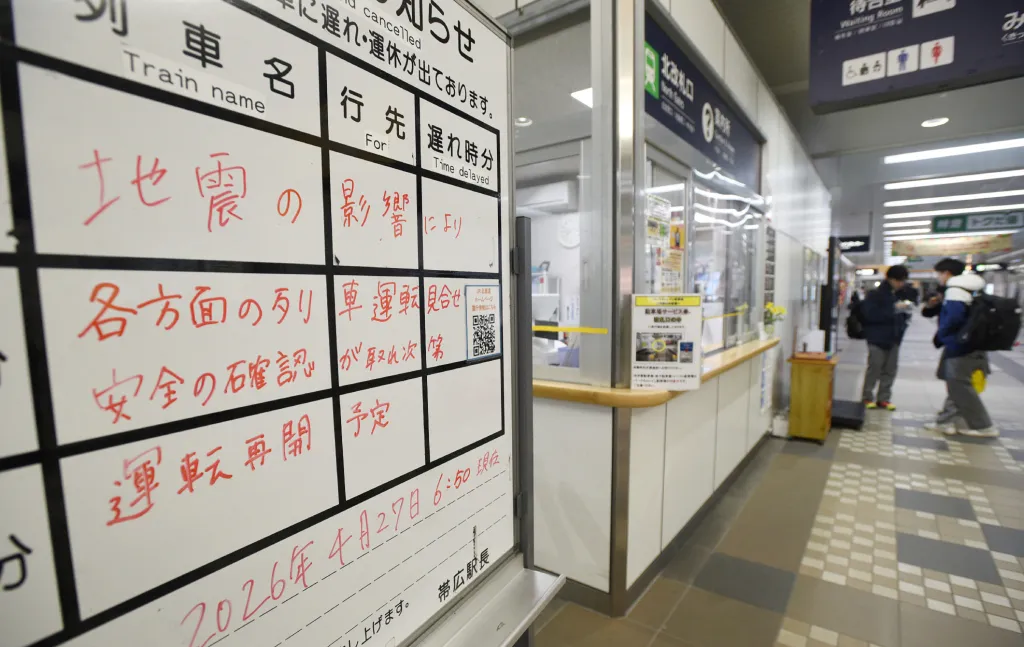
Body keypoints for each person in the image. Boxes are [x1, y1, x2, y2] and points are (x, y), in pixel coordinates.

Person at [924, 259, 997, 437]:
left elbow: (954, 318)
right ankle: (946, 421)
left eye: (939, 274)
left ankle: (983, 426)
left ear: (947, 273)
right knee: (955, 383)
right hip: (973, 342)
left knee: (961, 385)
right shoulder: (973, 287)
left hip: (961, 345)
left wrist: (942, 335)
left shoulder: (956, 290)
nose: (938, 277)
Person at [860, 265, 912, 410]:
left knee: (890, 370)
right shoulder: (875, 295)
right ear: (890, 279)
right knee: (874, 368)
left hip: (894, 338)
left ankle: (884, 398)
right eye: (898, 280)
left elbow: (902, 317)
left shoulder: (899, 294)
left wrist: (902, 324)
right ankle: (867, 397)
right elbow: (870, 315)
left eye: (903, 281)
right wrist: (895, 309)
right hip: (877, 338)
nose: (901, 284)